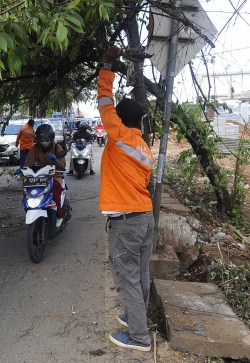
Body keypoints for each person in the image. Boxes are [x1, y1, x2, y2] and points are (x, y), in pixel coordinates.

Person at [98, 45, 155, 352]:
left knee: (129, 278)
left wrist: (105, 66)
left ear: (121, 119)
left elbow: (104, 100)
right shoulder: (144, 147)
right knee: (141, 273)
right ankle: (137, 317)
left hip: (127, 222)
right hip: (145, 218)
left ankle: (139, 338)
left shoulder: (117, 136)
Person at [24, 124, 66, 227]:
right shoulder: (34, 148)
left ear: (51, 138)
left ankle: (59, 216)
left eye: (47, 140)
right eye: (42, 140)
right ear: (38, 140)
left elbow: (63, 165)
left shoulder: (57, 147)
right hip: (39, 175)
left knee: (54, 190)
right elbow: (28, 163)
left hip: (55, 175)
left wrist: (56, 161)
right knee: (28, 190)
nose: (44, 142)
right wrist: (23, 170)